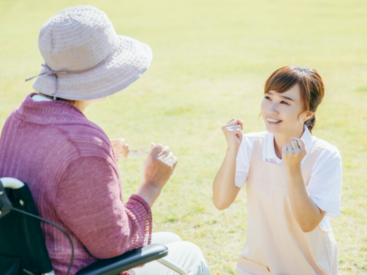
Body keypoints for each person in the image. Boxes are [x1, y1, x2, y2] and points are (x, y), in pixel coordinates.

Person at [0, 6, 210, 275]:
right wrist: (152, 184)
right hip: (80, 269)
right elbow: (114, 244)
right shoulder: (82, 145)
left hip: (33, 267)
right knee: (189, 253)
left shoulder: (19, 117)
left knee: (173, 242)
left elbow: (48, 180)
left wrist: (99, 158)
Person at [213, 65, 341, 274]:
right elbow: (221, 201)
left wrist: (292, 170)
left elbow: (308, 223)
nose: (271, 110)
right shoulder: (250, 144)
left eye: (284, 102)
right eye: (268, 97)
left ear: (307, 113)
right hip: (257, 263)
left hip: (307, 265)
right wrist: (232, 149)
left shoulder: (325, 155)